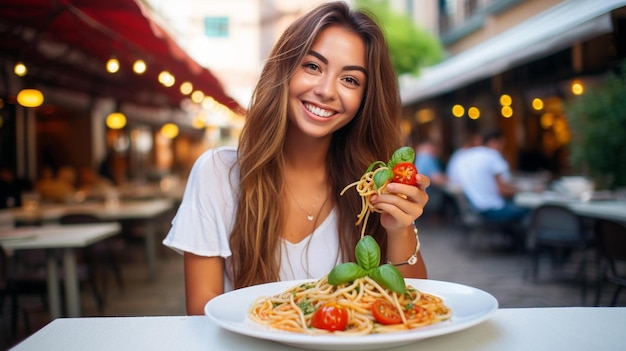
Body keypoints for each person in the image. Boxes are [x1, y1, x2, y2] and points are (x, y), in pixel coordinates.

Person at [163, 2, 431, 315]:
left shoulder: (371, 186)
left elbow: (409, 306)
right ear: (284, 70)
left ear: (365, 98)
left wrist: (400, 228)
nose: (327, 90)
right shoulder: (218, 173)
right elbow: (202, 313)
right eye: (313, 66)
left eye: (350, 80)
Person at [452, 129, 528, 223]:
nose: (502, 148)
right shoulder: (492, 155)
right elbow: (503, 191)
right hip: (492, 209)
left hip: (474, 209)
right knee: (531, 211)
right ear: (493, 142)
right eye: (502, 144)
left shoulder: (464, 156)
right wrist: (528, 190)